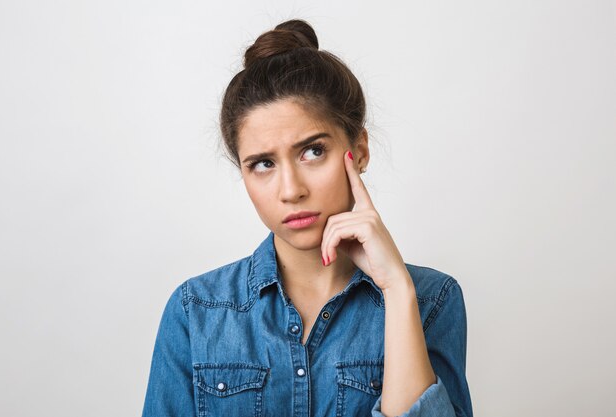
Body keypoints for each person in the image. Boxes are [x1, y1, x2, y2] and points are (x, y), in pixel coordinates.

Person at [141, 19, 472, 417]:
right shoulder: (196, 311)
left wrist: (397, 290)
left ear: (360, 150)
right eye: (263, 163)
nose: (290, 189)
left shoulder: (432, 301)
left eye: (312, 151)